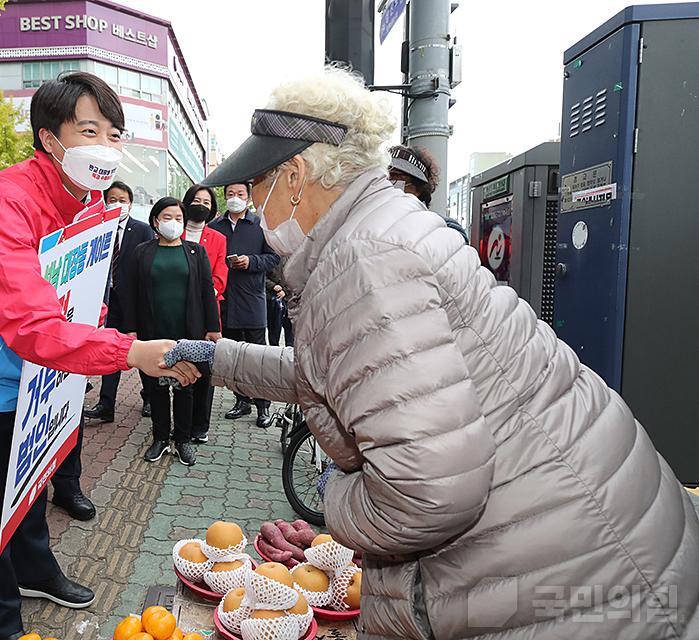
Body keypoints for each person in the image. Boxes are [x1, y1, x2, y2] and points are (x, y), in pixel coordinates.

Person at [184, 67, 699, 639]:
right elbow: (343, 374)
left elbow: (428, 496)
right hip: (588, 532)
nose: (255, 207)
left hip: (566, 576)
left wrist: (340, 498)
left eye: (258, 188)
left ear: (297, 176)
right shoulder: (387, 227)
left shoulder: (364, 259)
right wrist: (212, 358)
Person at [0, 72, 198, 640]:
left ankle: (36, 569)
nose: (108, 146)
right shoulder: (6, 203)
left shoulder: (87, 200)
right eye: (90, 130)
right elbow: (31, 325)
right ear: (49, 139)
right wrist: (130, 350)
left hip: (38, 365)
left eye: (115, 134)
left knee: (35, 468)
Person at [120, 198, 221, 466]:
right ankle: (160, 439)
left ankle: (184, 440)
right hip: (152, 330)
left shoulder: (196, 252)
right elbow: (130, 293)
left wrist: (213, 329)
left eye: (178, 218)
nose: (173, 223)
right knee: (157, 387)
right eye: (167, 217)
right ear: (155, 221)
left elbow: (206, 291)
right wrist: (129, 330)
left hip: (188, 331)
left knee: (186, 385)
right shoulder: (142, 251)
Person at [80, 181, 155, 424]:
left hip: (135, 304)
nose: (117, 204)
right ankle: (106, 404)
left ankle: (150, 397)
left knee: (141, 349)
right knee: (110, 350)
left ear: (131, 204)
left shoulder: (142, 230)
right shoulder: (98, 229)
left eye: (122, 200)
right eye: (112, 199)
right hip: (108, 302)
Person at [208, 183, 279, 428]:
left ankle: (264, 406)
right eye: (230, 194)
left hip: (252, 300)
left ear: (248, 198)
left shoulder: (261, 224)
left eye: (240, 194)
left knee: (258, 356)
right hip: (225, 301)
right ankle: (241, 400)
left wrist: (251, 261)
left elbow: (274, 257)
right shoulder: (214, 227)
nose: (234, 198)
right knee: (233, 356)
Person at [181, 184, 227, 443]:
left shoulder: (218, 238)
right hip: (176, 309)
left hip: (206, 311)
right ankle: (179, 425)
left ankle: (200, 426)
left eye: (207, 202)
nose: (201, 205)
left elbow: (219, 279)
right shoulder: (175, 232)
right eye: (196, 200)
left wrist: (195, 289)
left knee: (204, 368)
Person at [388, 145, 468, 243]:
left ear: (418, 188)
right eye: (383, 176)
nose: (386, 182)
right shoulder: (370, 221)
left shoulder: (446, 228)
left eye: (394, 177)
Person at [264, 262, 293, 348]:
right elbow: (262, 277)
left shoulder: (291, 257)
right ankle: (274, 353)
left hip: (289, 300)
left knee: (290, 331)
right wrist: (273, 286)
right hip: (272, 299)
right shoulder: (270, 258)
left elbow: (296, 279)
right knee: (274, 330)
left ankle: (291, 354)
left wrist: (285, 291)